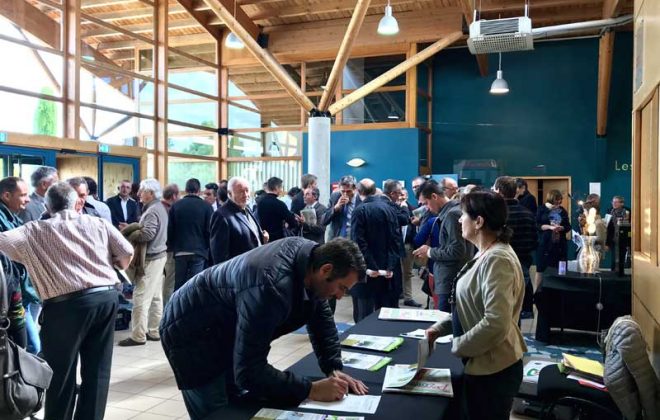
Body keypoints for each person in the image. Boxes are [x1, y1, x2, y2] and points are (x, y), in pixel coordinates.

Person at [160, 237, 368, 420]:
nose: (341, 296)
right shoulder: (271, 285)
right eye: (342, 287)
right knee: (219, 412)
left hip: (222, 325)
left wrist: (334, 368)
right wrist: (310, 389)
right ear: (326, 270)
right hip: (189, 333)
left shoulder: (313, 263)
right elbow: (249, 370)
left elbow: (321, 320)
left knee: (240, 403)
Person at [0, 181, 134, 420]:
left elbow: (3, 243)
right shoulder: (98, 223)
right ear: (75, 203)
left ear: (47, 206)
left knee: (60, 372)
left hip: (65, 307)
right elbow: (126, 253)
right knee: (98, 370)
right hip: (105, 298)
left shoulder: (33, 230)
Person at [426, 190, 526, 420]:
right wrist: (440, 329)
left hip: (493, 369)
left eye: (463, 215)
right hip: (484, 363)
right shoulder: (487, 253)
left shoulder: (497, 259)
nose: (460, 220)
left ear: (479, 221)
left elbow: (495, 322)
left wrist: (458, 346)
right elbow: (471, 306)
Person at [119, 179, 169, 346]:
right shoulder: (159, 207)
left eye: (142, 191)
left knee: (140, 297)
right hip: (159, 257)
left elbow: (147, 234)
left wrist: (130, 233)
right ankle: (154, 331)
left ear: (151, 193)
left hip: (151, 259)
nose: (139, 194)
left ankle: (138, 335)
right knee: (155, 297)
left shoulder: (153, 210)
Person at [413, 181, 472, 312]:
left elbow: (457, 250)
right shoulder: (454, 211)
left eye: (426, 203)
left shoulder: (452, 214)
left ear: (434, 196)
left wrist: (429, 252)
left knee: (446, 325)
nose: (426, 208)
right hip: (452, 279)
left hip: (451, 279)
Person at [350, 179, 402, 322]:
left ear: (359, 192)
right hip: (386, 271)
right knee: (384, 315)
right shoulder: (390, 209)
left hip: (367, 273)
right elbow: (395, 239)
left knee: (363, 316)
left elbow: (358, 242)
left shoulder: (359, 210)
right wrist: (390, 266)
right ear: (374, 191)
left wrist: (370, 266)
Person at [493, 176, 538, 318]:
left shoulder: (494, 215)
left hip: (498, 266)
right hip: (523, 263)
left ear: (499, 191)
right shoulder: (528, 214)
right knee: (516, 309)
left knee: (499, 309)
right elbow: (534, 241)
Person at [0, 177, 30, 349]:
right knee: (27, 346)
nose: (28, 199)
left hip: (15, 291)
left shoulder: (12, 217)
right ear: (6, 195)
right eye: (23, 195)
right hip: (8, 294)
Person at [167, 178, 213, 290]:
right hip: (199, 250)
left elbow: (170, 229)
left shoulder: (176, 206)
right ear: (199, 190)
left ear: (186, 190)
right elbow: (210, 231)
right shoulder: (207, 207)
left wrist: (171, 246)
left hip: (180, 250)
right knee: (194, 285)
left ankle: (177, 306)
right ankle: (192, 307)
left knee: (179, 284)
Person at [210, 176, 268, 264]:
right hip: (236, 272)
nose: (245, 195)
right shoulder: (221, 215)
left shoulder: (247, 209)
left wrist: (261, 238)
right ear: (229, 193)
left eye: (247, 190)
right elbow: (219, 255)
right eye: (240, 191)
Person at [535, 189, 571, 287]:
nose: (559, 202)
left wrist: (561, 228)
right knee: (541, 269)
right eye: (557, 199)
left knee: (561, 269)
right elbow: (537, 225)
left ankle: (560, 293)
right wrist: (550, 227)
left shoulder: (562, 210)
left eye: (560, 199)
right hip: (545, 244)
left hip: (560, 245)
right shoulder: (541, 209)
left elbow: (568, 226)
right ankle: (537, 294)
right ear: (551, 198)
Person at [255, 176, 300, 242]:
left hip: (263, 238)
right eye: (281, 187)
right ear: (276, 188)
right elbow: (292, 222)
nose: (282, 190)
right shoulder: (279, 204)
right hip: (278, 240)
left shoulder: (260, 202)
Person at [323, 175, 361, 240]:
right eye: (343, 191)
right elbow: (324, 220)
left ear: (355, 189)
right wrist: (335, 208)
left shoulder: (360, 200)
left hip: (353, 239)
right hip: (336, 238)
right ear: (339, 189)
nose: (345, 194)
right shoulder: (335, 197)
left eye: (348, 191)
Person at [161, 184, 179, 306]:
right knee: (169, 283)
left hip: (160, 251)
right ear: (173, 196)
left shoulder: (157, 207)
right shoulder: (169, 210)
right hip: (169, 250)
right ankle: (166, 309)